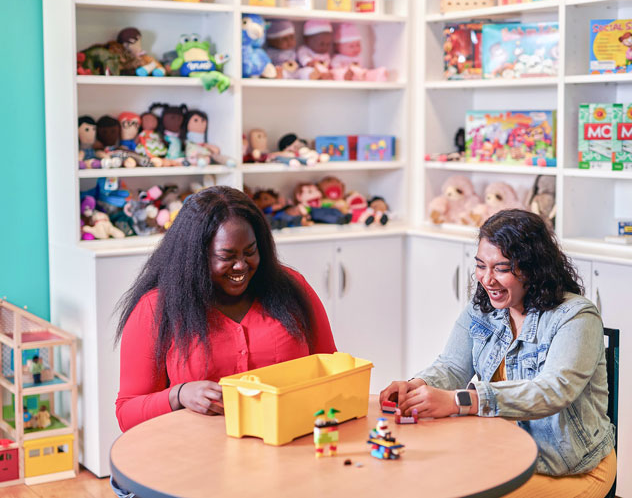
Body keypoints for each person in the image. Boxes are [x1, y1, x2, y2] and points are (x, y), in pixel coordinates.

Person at [380, 209, 616, 498]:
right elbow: (452, 367)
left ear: (533, 269)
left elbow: (552, 391)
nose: (486, 279)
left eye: (501, 269)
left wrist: (460, 401)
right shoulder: (483, 309)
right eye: (481, 266)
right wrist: (417, 385)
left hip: (572, 467)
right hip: (507, 453)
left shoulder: (576, 317)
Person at [115, 186, 336, 432]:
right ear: (195, 257)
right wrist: (179, 395)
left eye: (250, 252)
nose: (241, 265)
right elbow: (127, 414)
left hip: (291, 443)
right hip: (197, 456)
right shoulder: (156, 308)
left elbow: (331, 371)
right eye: (226, 256)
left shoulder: (293, 288)